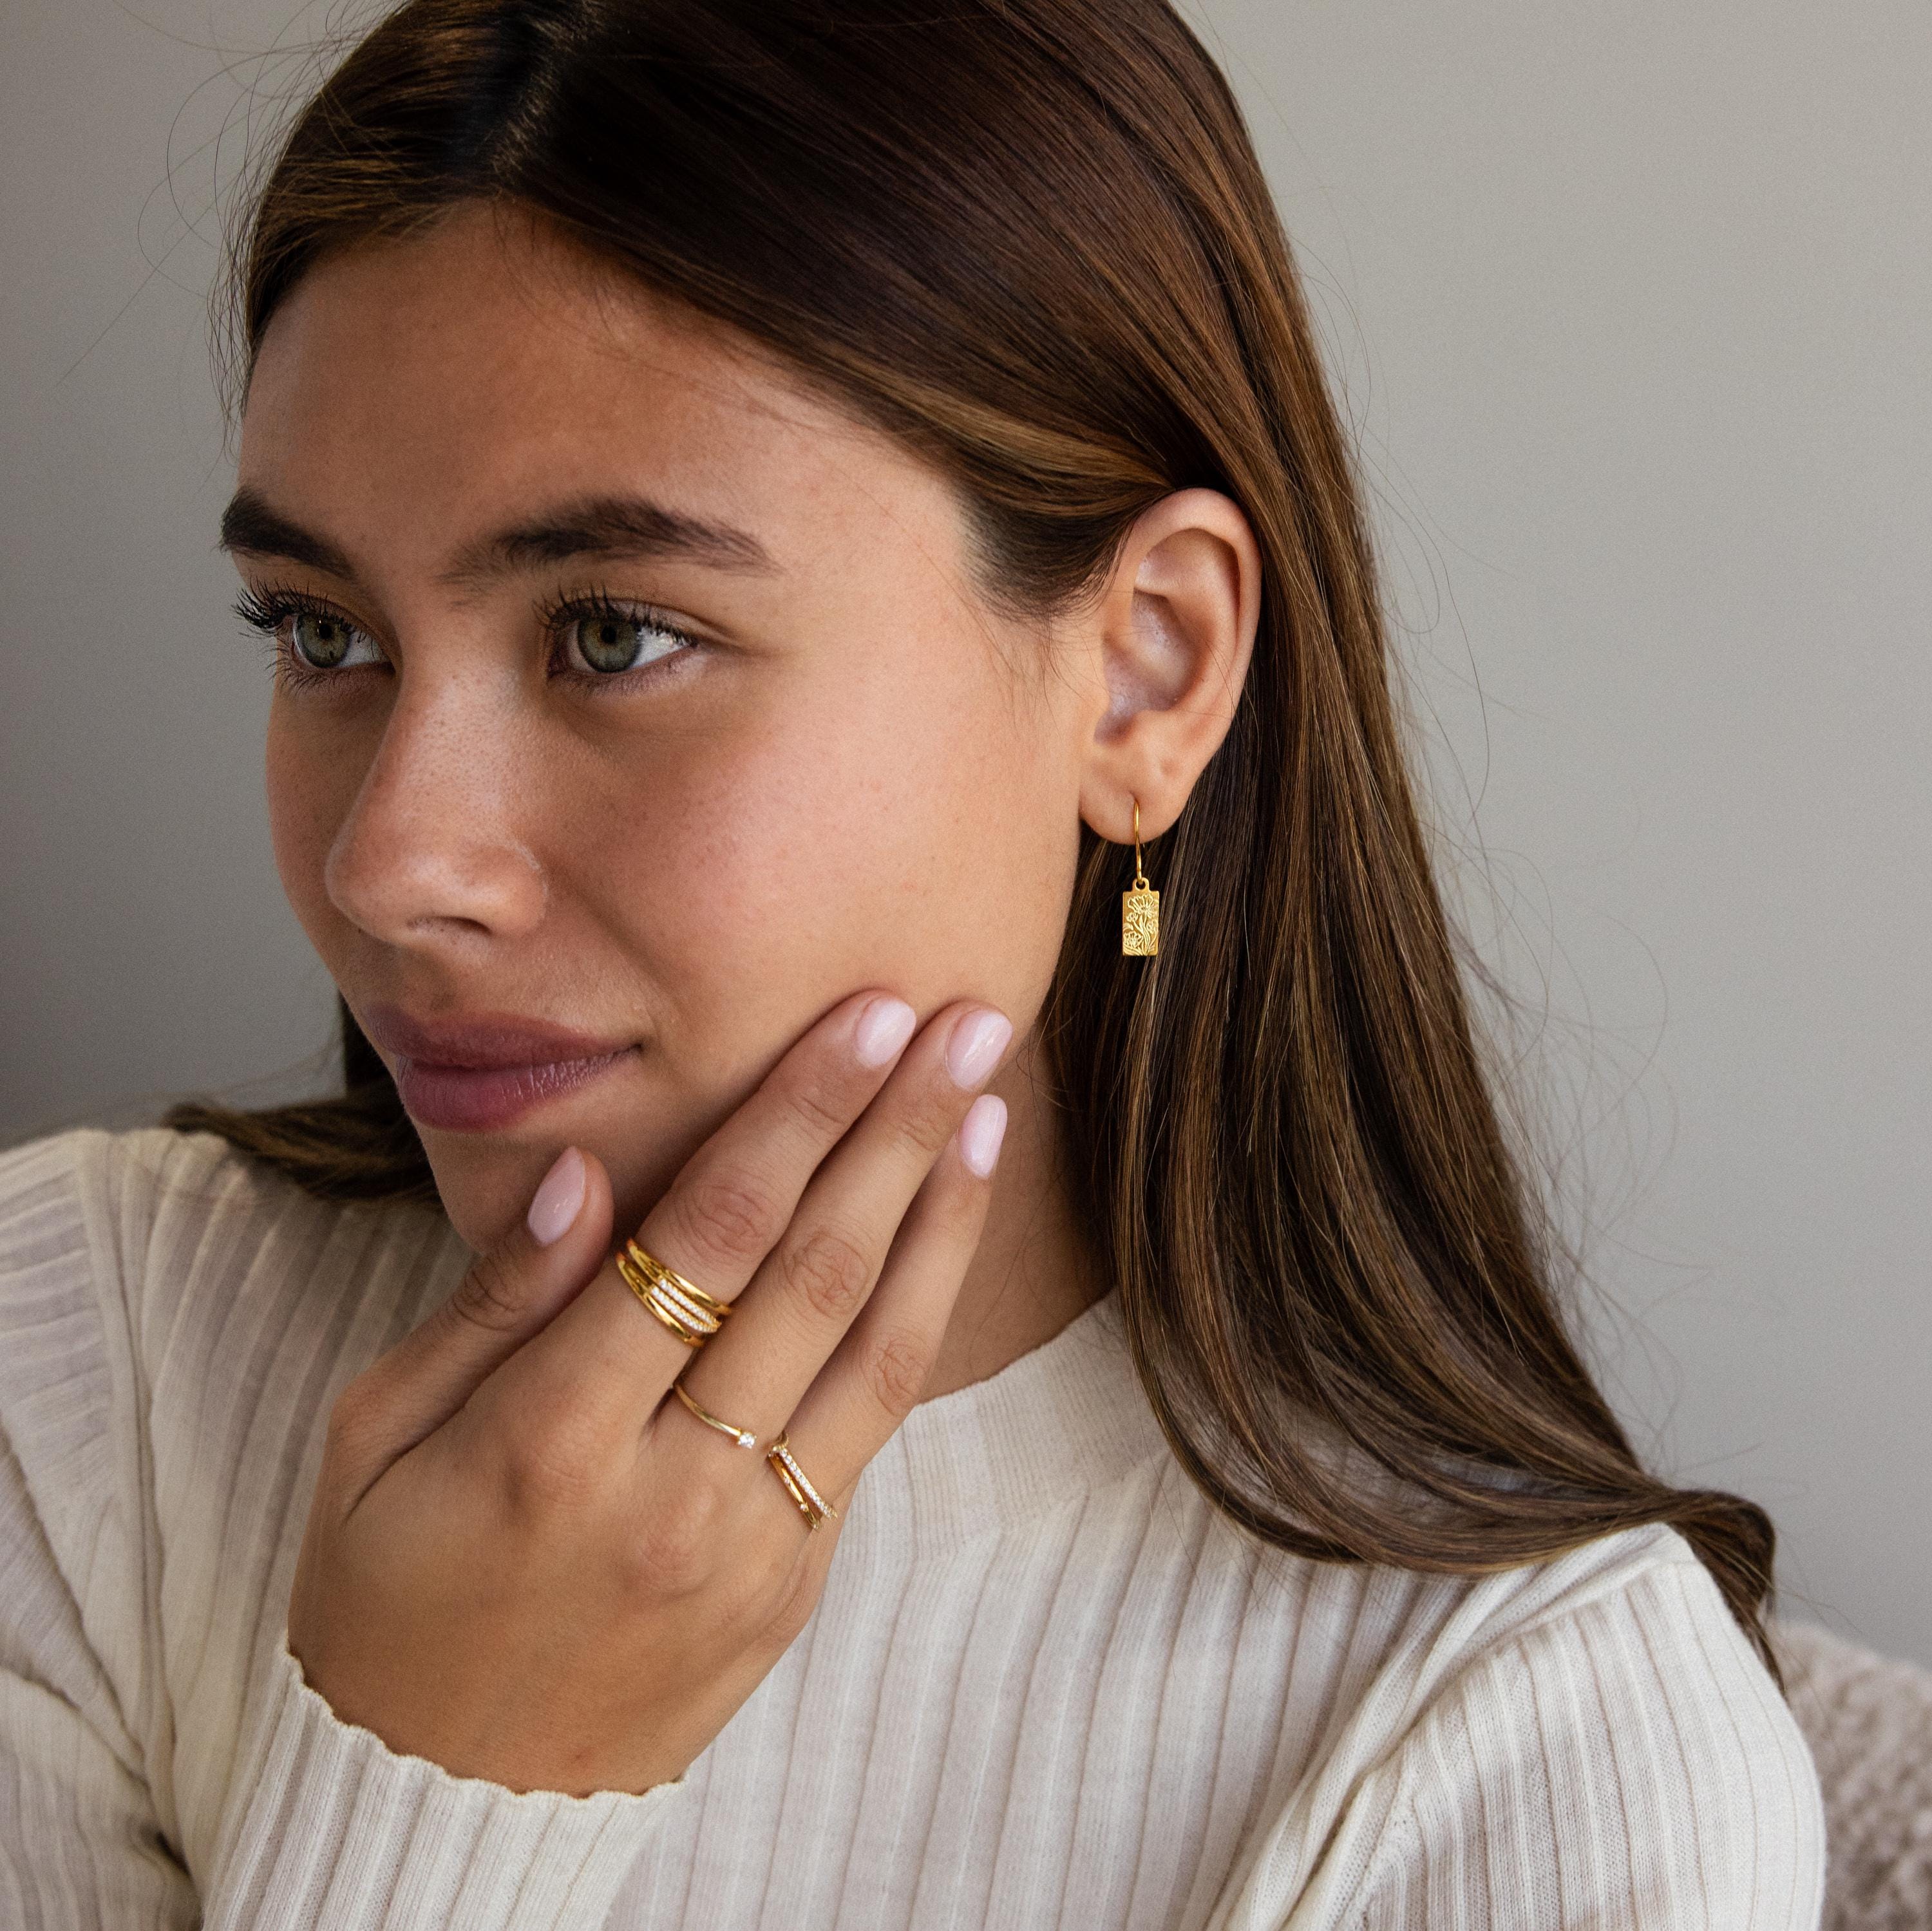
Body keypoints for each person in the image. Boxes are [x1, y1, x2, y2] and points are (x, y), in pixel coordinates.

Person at [0, 1, 1824, 1925]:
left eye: (615, 633)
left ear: (1148, 672)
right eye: (316, 632)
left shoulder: (1537, 1764)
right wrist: (442, 1784)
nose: (390, 867)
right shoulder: (75, 1378)